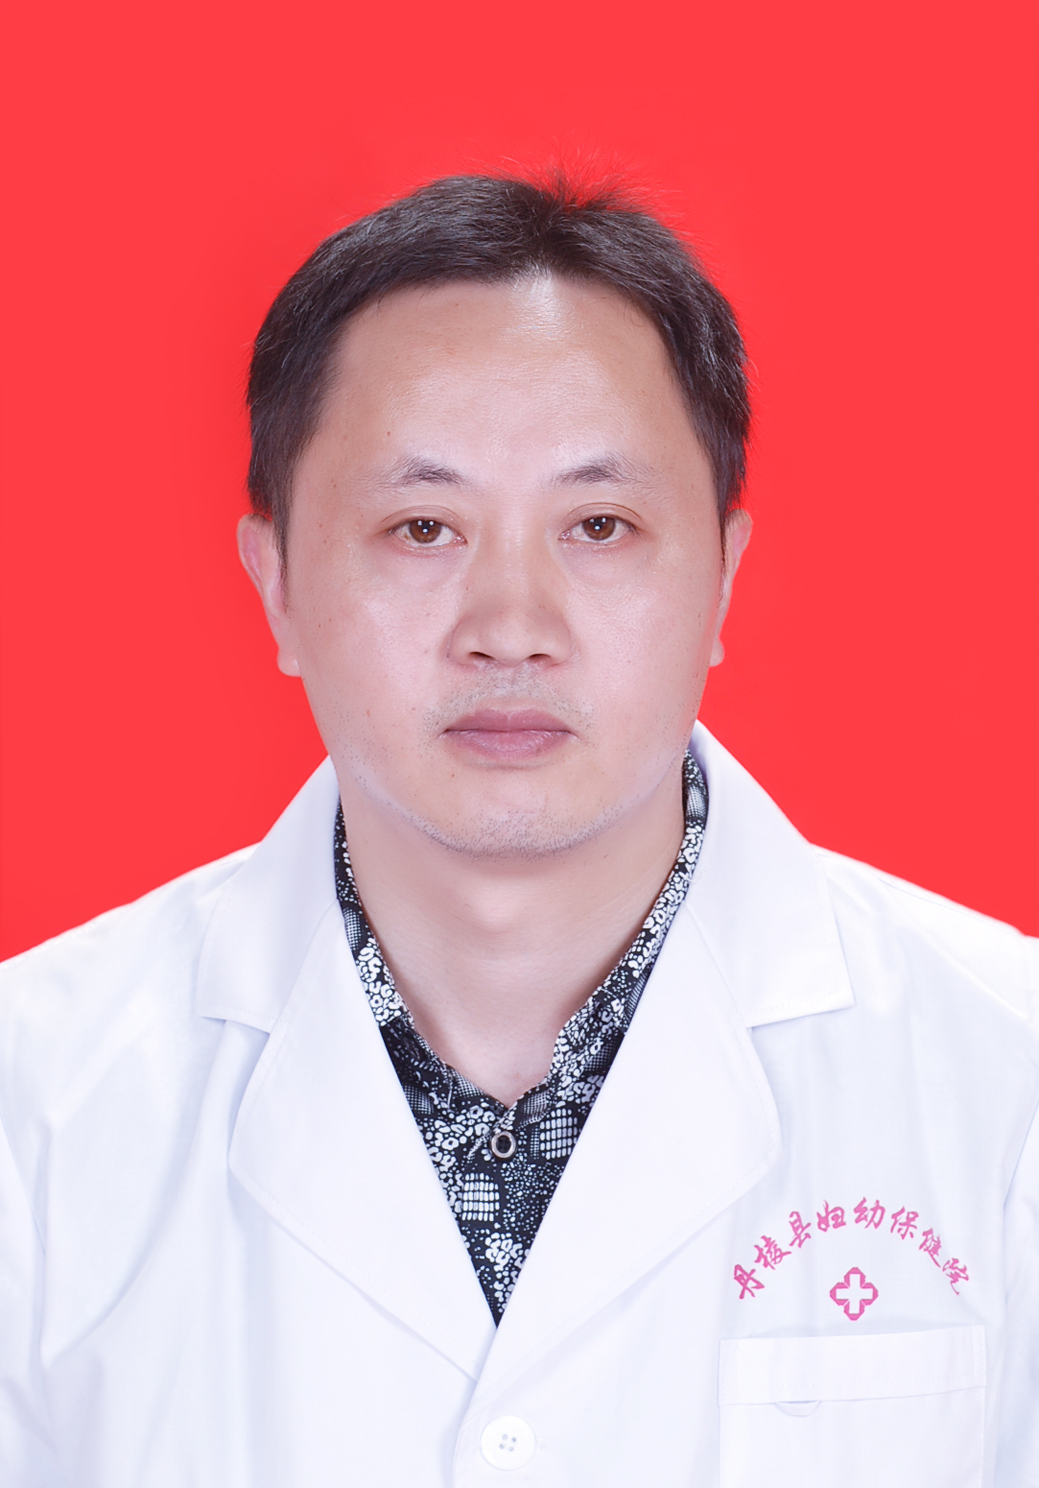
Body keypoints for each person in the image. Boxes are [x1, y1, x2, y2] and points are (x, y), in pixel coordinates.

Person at [0, 173, 1035, 1488]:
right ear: (277, 586)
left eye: (599, 526)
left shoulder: (1008, 1081)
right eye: (422, 527)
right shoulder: (33, 1106)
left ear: (724, 576)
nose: (510, 626)